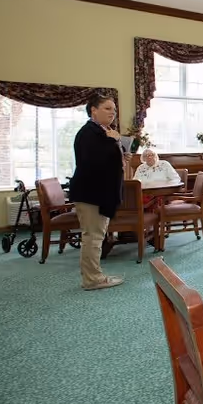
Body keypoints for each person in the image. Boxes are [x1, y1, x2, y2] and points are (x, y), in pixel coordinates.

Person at [67, 94, 128, 291]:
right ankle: (92, 279)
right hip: (91, 193)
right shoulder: (89, 133)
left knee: (96, 236)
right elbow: (95, 164)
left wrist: (117, 145)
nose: (113, 113)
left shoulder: (102, 133)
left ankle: (94, 275)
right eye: (108, 108)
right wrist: (114, 142)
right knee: (93, 237)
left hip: (99, 193)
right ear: (93, 110)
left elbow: (112, 161)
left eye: (114, 110)